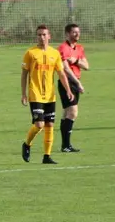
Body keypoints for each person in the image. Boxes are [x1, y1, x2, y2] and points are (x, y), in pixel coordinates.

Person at [21, 25, 73, 165]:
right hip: (35, 94)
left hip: (50, 95)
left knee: (49, 125)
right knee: (39, 125)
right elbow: (24, 74)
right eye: (39, 35)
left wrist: (68, 90)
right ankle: (27, 144)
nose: (41, 37)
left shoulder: (54, 53)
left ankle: (47, 156)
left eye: (44, 34)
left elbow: (61, 73)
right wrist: (23, 94)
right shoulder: (30, 53)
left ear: (49, 36)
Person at [58, 23, 88, 153]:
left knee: (66, 113)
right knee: (73, 112)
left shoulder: (79, 48)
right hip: (67, 83)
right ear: (67, 34)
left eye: (78, 32)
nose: (77, 34)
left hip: (75, 82)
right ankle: (66, 145)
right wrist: (78, 83)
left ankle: (65, 145)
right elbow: (65, 68)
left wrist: (75, 61)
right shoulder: (63, 48)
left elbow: (86, 66)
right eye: (74, 32)